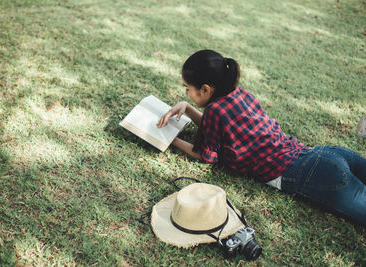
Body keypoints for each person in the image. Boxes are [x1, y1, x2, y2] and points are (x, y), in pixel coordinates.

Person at [157, 49, 366, 226]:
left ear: (205, 89)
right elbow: (217, 126)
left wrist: (172, 139)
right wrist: (187, 109)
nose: (186, 94)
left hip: (309, 173)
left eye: (187, 89)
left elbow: (206, 156)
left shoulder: (215, 111)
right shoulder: (240, 94)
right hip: (324, 154)